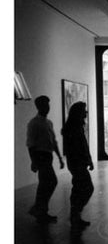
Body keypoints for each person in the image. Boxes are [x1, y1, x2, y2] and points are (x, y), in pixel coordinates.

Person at [26, 95, 65, 223]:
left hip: (47, 156)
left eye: (48, 105)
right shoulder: (34, 123)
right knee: (50, 182)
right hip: (40, 156)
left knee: (45, 183)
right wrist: (33, 161)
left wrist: (59, 157)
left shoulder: (48, 123)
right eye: (44, 105)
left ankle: (40, 209)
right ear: (38, 106)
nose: (47, 107)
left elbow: (53, 141)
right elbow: (31, 144)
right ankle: (40, 209)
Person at [62, 102, 94, 230]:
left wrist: (89, 159)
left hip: (77, 162)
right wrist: (87, 160)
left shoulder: (75, 127)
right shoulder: (74, 128)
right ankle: (75, 214)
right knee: (86, 188)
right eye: (84, 111)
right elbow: (78, 147)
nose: (86, 113)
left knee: (78, 188)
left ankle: (75, 215)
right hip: (77, 163)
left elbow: (83, 145)